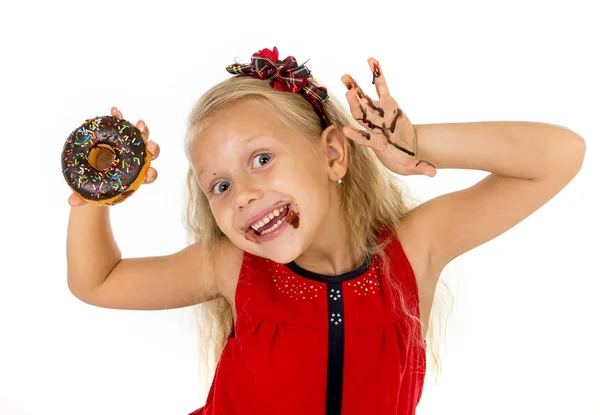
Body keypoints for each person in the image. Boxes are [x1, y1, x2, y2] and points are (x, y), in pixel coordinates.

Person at [65, 46, 586, 415]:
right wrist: (96, 191)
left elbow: (559, 156)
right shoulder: (233, 266)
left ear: (333, 154)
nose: (242, 193)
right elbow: (99, 280)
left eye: (261, 159)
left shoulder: (413, 251)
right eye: (219, 186)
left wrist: (417, 144)